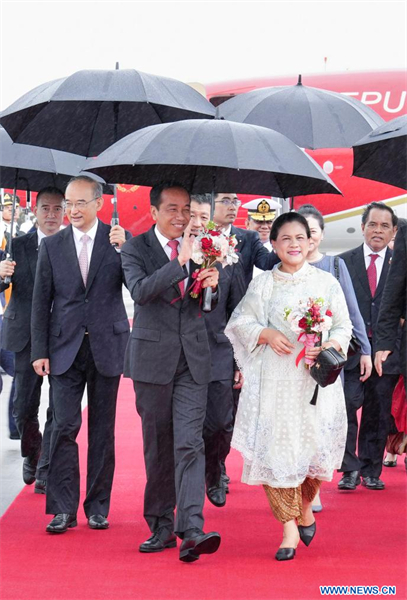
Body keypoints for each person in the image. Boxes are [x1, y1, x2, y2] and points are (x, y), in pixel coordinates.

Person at [225, 212, 352, 561]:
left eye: (301, 237)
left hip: (315, 385)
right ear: (275, 244)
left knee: (313, 450)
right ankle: (288, 529)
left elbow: (344, 328)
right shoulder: (264, 283)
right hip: (276, 383)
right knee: (277, 451)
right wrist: (266, 334)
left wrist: (328, 345)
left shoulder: (327, 283)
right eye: (286, 239)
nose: (294, 244)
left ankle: (306, 507)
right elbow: (240, 322)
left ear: (311, 241)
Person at [121, 183, 221, 563]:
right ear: (155, 211)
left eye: (187, 210)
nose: (182, 217)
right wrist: (180, 262)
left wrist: (211, 283)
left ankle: (191, 528)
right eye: (173, 209)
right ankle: (161, 525)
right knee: (159, 445)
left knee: (189, 443)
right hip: (151, 361)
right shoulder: (135, 248)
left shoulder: (204, 247)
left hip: (192, 359)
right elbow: (141, 291)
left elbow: (208, 306)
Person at [31, 175, 130, 533]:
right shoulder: (52, 246)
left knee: (103, 430)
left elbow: (136, 285)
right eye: (67, 204)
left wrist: (126, 248)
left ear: (99, 204)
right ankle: (62, 508)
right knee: (64, 426)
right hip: (63, 348)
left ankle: (98, 506)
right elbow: (42, 302)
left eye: (79, 204)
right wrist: (40, 351)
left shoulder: (118, 240)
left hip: (107, 345)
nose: (71, 211)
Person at [297, 204, 373, 496]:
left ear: (321, 235)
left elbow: (351, 313)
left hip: (329, 360)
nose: (305, 238)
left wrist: (364, 350)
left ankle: (323, 478)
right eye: (300, 232)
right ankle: (303, 480)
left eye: (311, 232)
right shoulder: (282, 269)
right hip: (294, 359)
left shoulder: (336, 267)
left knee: (329, 416)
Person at [0, 187, 65, 493]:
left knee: (60, 405)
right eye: (46, 209)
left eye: (57, 209)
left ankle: (47, 464)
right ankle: (32, 450)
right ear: (35, 211)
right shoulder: (17, 244)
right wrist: (2, 275)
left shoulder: (71, 245)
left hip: (61, 335)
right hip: (24, 334)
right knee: (24, 405)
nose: (51, 215)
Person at [339, 202, 400, 491]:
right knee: (348, 407)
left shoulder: (400, 262)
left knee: (378, 411)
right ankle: (348, 469)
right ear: (362, 227)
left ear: (394, 231)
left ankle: (371, 469)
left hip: (388, 350)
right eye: (373, 225)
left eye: (385, 226)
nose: (378, 231)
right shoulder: (343, 262)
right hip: (351, 350)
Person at [190, 194, 246, 508]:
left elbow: (236, 310)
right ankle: (191, 481)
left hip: (219, 351)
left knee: (220, 423)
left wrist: (239, 357)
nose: (197, 223)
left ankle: (215, 468)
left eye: (202, 217)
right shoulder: (179, 255)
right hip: (184, 351)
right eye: (192, 216)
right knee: (189, 427)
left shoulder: (225, 256)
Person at [212, 193, 279, 289]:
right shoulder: (200, 236)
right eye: (225, 201)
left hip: (239, 302)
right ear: (210, 204)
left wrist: (281, 240)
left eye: (235, 202)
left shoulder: (249, 238)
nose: (232, 207)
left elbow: (267, 263)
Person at [242, 198, 278, 278]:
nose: (265, 226)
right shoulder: (240, 247)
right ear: (247, 223)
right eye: (259, 221)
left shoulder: (279, 251)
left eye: (269, 222)